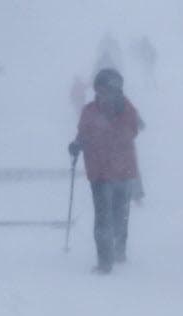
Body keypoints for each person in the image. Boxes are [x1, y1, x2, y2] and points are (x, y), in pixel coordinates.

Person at [68, 68, 144, 274]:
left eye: (110, 89)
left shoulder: (125, 109)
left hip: (120, 171)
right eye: (103, 89)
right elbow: (83, 133)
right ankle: (105, 259)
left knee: (119, 214)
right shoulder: (90, 111)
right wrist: (77, 144)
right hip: (101, 172)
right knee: (104, 216)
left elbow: (132, 131)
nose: (106, 94)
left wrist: (109, 124)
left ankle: (119, 250)